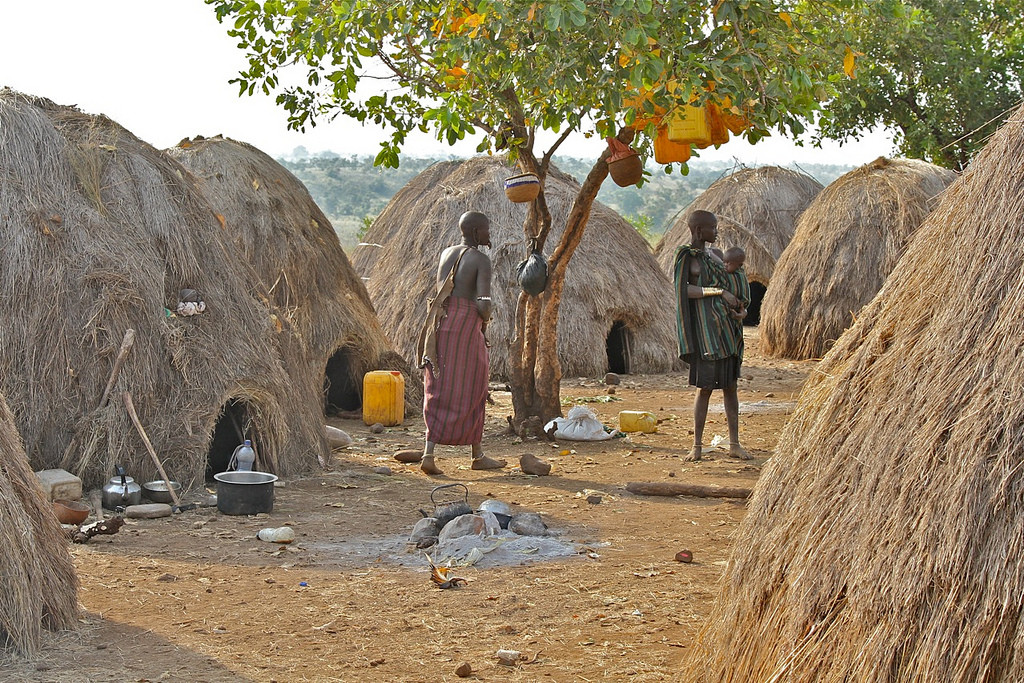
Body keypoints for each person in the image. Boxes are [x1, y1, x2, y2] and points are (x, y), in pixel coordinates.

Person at [417, 211, 505, 475]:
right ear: (477, 231)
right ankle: (477, 455)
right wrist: (488, 316)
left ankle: (428, 453)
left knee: (439, 385)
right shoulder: (480, 259)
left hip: (441, 322)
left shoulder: (446, 253)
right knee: (474, 385)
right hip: (466, 323)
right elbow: (483, 302)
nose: (489, 234)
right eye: (487, 230)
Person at [672, 210, 751, 462]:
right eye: (712, 228)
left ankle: (734, 444)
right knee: (704, 389)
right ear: (698, 231)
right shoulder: (686, 257)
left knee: (730, 388)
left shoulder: (718, 256)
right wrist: (717, 292)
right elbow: (683, 290)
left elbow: (735, 285)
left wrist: (742, 309)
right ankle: (696, 446)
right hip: (706, 335)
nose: (717, 232)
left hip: (728, 332)